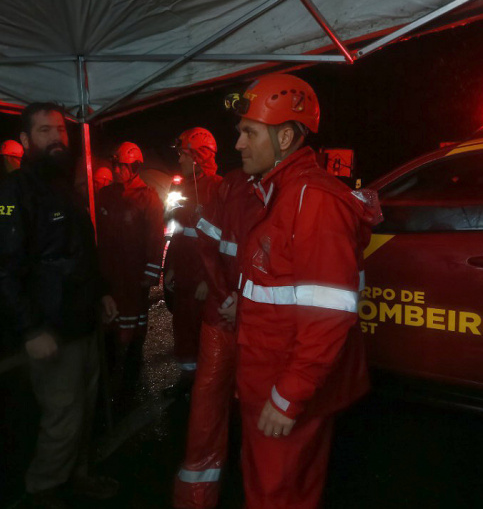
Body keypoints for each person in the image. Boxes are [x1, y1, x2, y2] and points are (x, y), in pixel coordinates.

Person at [228, 74, 381, 509]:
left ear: (287, 137)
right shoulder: (279, 193)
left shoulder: (311, 201)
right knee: (272, 487)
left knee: (276, 495)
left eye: (249, 133)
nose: (239, 144)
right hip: (267, 379)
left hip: (284, 388)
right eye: (240, 132)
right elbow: (278, 282)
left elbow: (329, 314)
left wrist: (287, 396)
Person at [0, 102, 119, 508]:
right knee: (62, 418)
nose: (57, 137)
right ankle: (44, 490)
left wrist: (102, 291)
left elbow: (78, 254)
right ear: (24, 140)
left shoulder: (64, 189)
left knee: (83, 411)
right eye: (44, 131)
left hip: (82, 322)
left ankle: (78, 476)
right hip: (52, 330)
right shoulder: (9, 194)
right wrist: (30, 329)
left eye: (60, 129)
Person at [173, 166, 263, 508]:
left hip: (256, 320)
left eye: (250, 132)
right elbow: (207, 245)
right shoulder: (233, 186)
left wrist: (241, 302)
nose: (239, 143)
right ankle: (197, 495)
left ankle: (255, 489)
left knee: (260, 407)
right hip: (222, 315)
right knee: (208, 401)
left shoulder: (294, 190)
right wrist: (226, 297)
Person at [96, 142, 163, 408]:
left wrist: (150, 272)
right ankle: (107, 389)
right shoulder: (104, 195)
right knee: (109, 334)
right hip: (110, 279)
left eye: (124, 165)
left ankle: (130, 388)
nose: (119, 170)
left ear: (135, 168)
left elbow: (155, 238)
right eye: (117, 164)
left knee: (134, 334)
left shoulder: (148, 197)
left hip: (134, 280)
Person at [163, 128, 223, 374]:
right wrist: (171, 267)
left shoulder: (218, 188)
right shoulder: (185, 187)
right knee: (184, 332)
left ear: (199, 156)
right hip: (185, 278)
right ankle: (186, 384)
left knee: (203, 337)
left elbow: (225, 241)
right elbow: (177, 231)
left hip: (203, 284)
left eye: (183, 155)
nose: (179, 160)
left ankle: (201, 390)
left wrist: (209, 280)